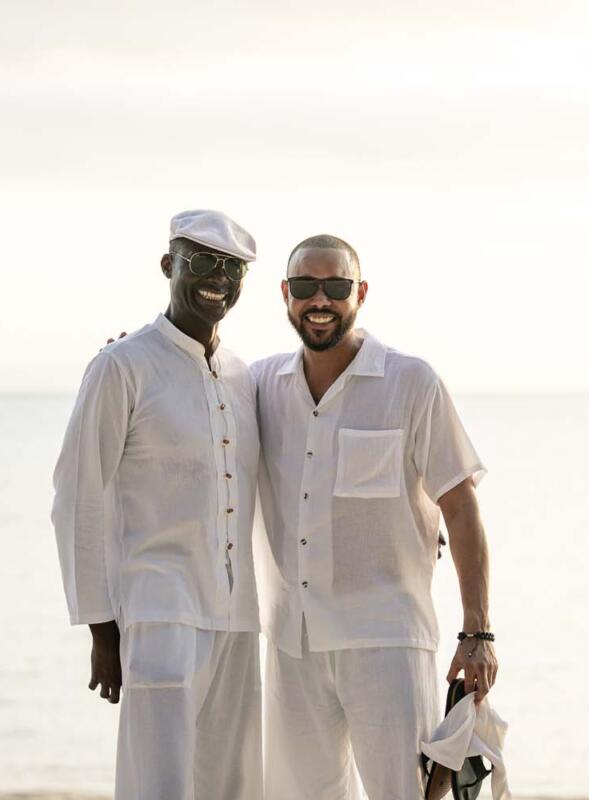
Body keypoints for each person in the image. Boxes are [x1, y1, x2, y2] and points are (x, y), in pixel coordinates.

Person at [251, 234, 498, 799]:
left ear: (360, 294)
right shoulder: (260, 384)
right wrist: (129, 358)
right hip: (293, 644)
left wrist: (478, 632)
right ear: (286, 294)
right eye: (306, 286)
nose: (320, 300)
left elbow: (460, 507)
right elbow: (200, 391)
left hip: (386, 641)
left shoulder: (410, 383)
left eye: (336, 286)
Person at [51, 209, 263, 800]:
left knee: (233, 787)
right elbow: (77, 497)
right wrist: (102, 630)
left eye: (232, 268)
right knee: (158, 786)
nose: (217, 278)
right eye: (203, 262)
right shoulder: (121, 366)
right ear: (169, 265)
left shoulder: (244, 377)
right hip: (159, 613)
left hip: (240, 620)